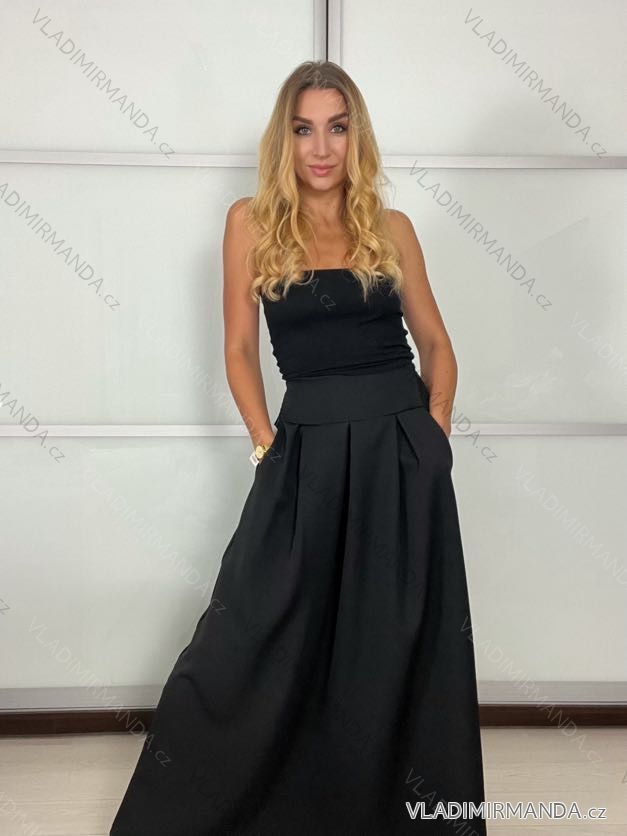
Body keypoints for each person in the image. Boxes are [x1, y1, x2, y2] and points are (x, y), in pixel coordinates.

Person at [110, 60, 487, 836]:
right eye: (304, 128)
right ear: (284, 139)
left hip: (400, 451)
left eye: (337, 128)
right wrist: (265, 444)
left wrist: (434, 436)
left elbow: (437, 345)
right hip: (304, 448)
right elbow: (238, 349)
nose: (321, 147)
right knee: (250, 629)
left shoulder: (391, 228)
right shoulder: (249, 223)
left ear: (357, 137)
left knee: (392, 638)